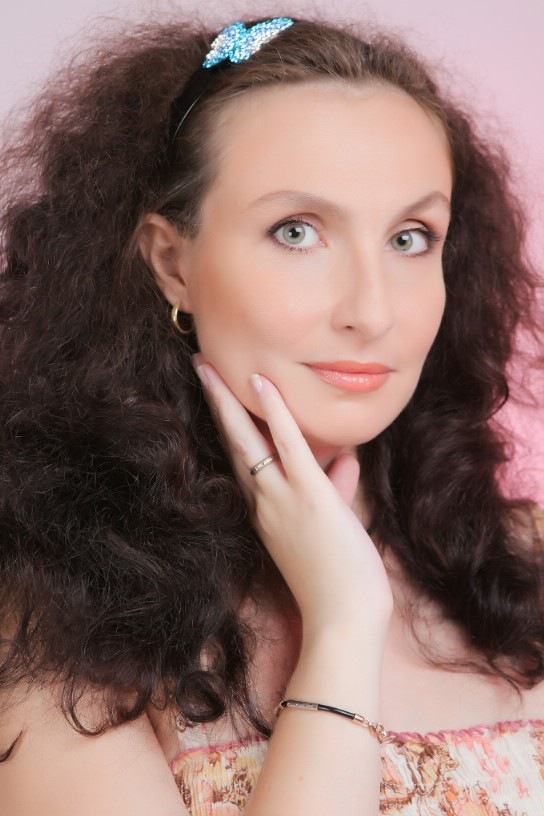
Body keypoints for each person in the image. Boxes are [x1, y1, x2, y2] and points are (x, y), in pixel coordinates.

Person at [0, 14, 542, 816]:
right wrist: (342, 624)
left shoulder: (526, 564)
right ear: (172, 264)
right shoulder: (51, 620)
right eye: (297, 232)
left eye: (410, 238)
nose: (372, 311)